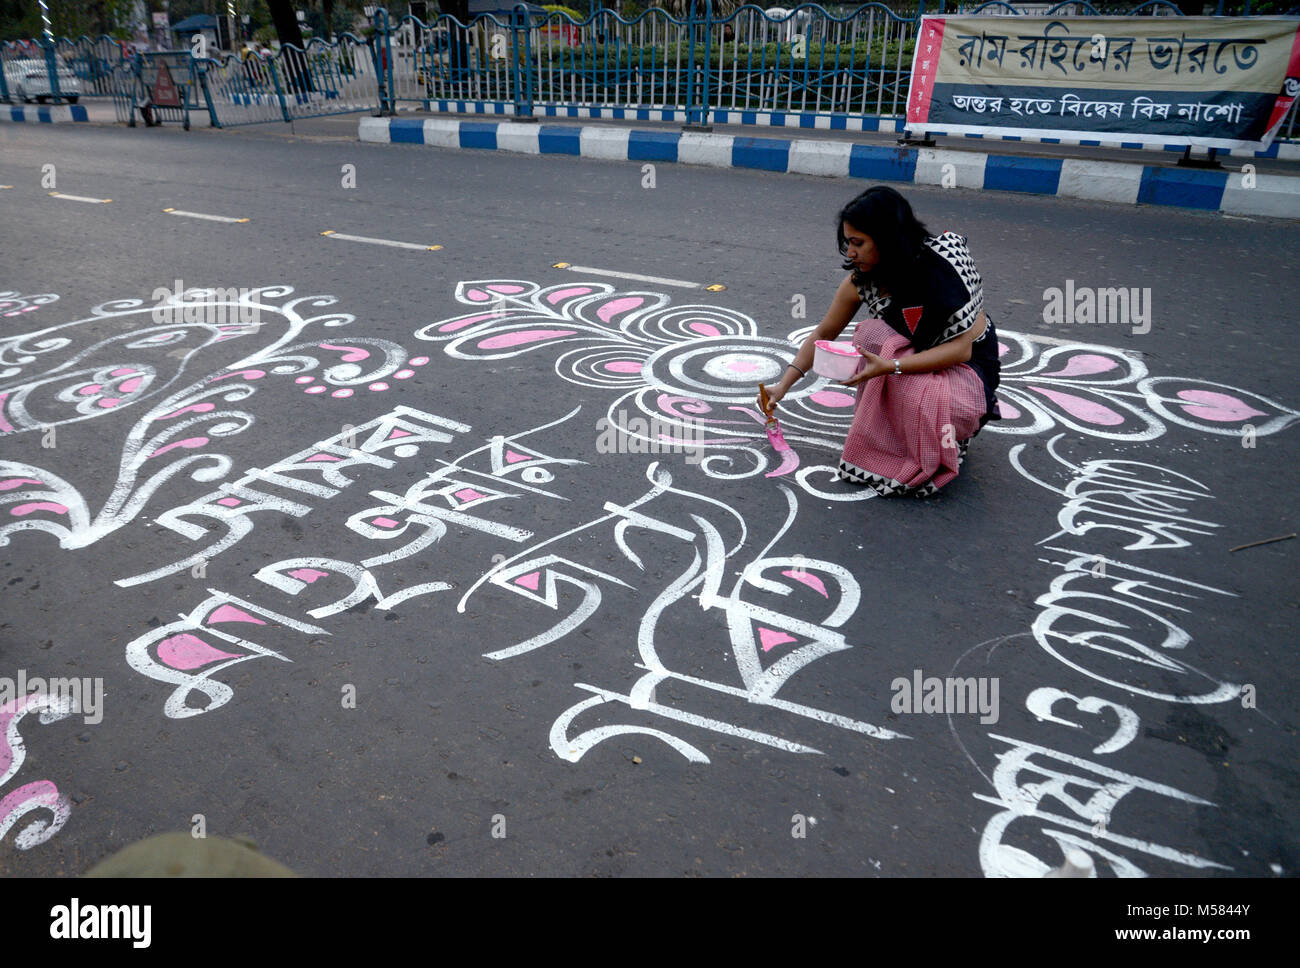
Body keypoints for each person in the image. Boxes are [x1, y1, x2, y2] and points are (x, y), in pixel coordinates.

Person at [759, 186, 1001, 497]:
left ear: (887, 239)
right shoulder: (863, 281)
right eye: (848, 243)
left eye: (858, 243)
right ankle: (909, 435)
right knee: (872, 336)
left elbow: (961, 349)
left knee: (905, 380)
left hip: (969, 373)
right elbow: (823, 334)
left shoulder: (942, 266)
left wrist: (891, 366)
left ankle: (947, 431)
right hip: (922, 360)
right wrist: (783, 385)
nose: (850, 253)